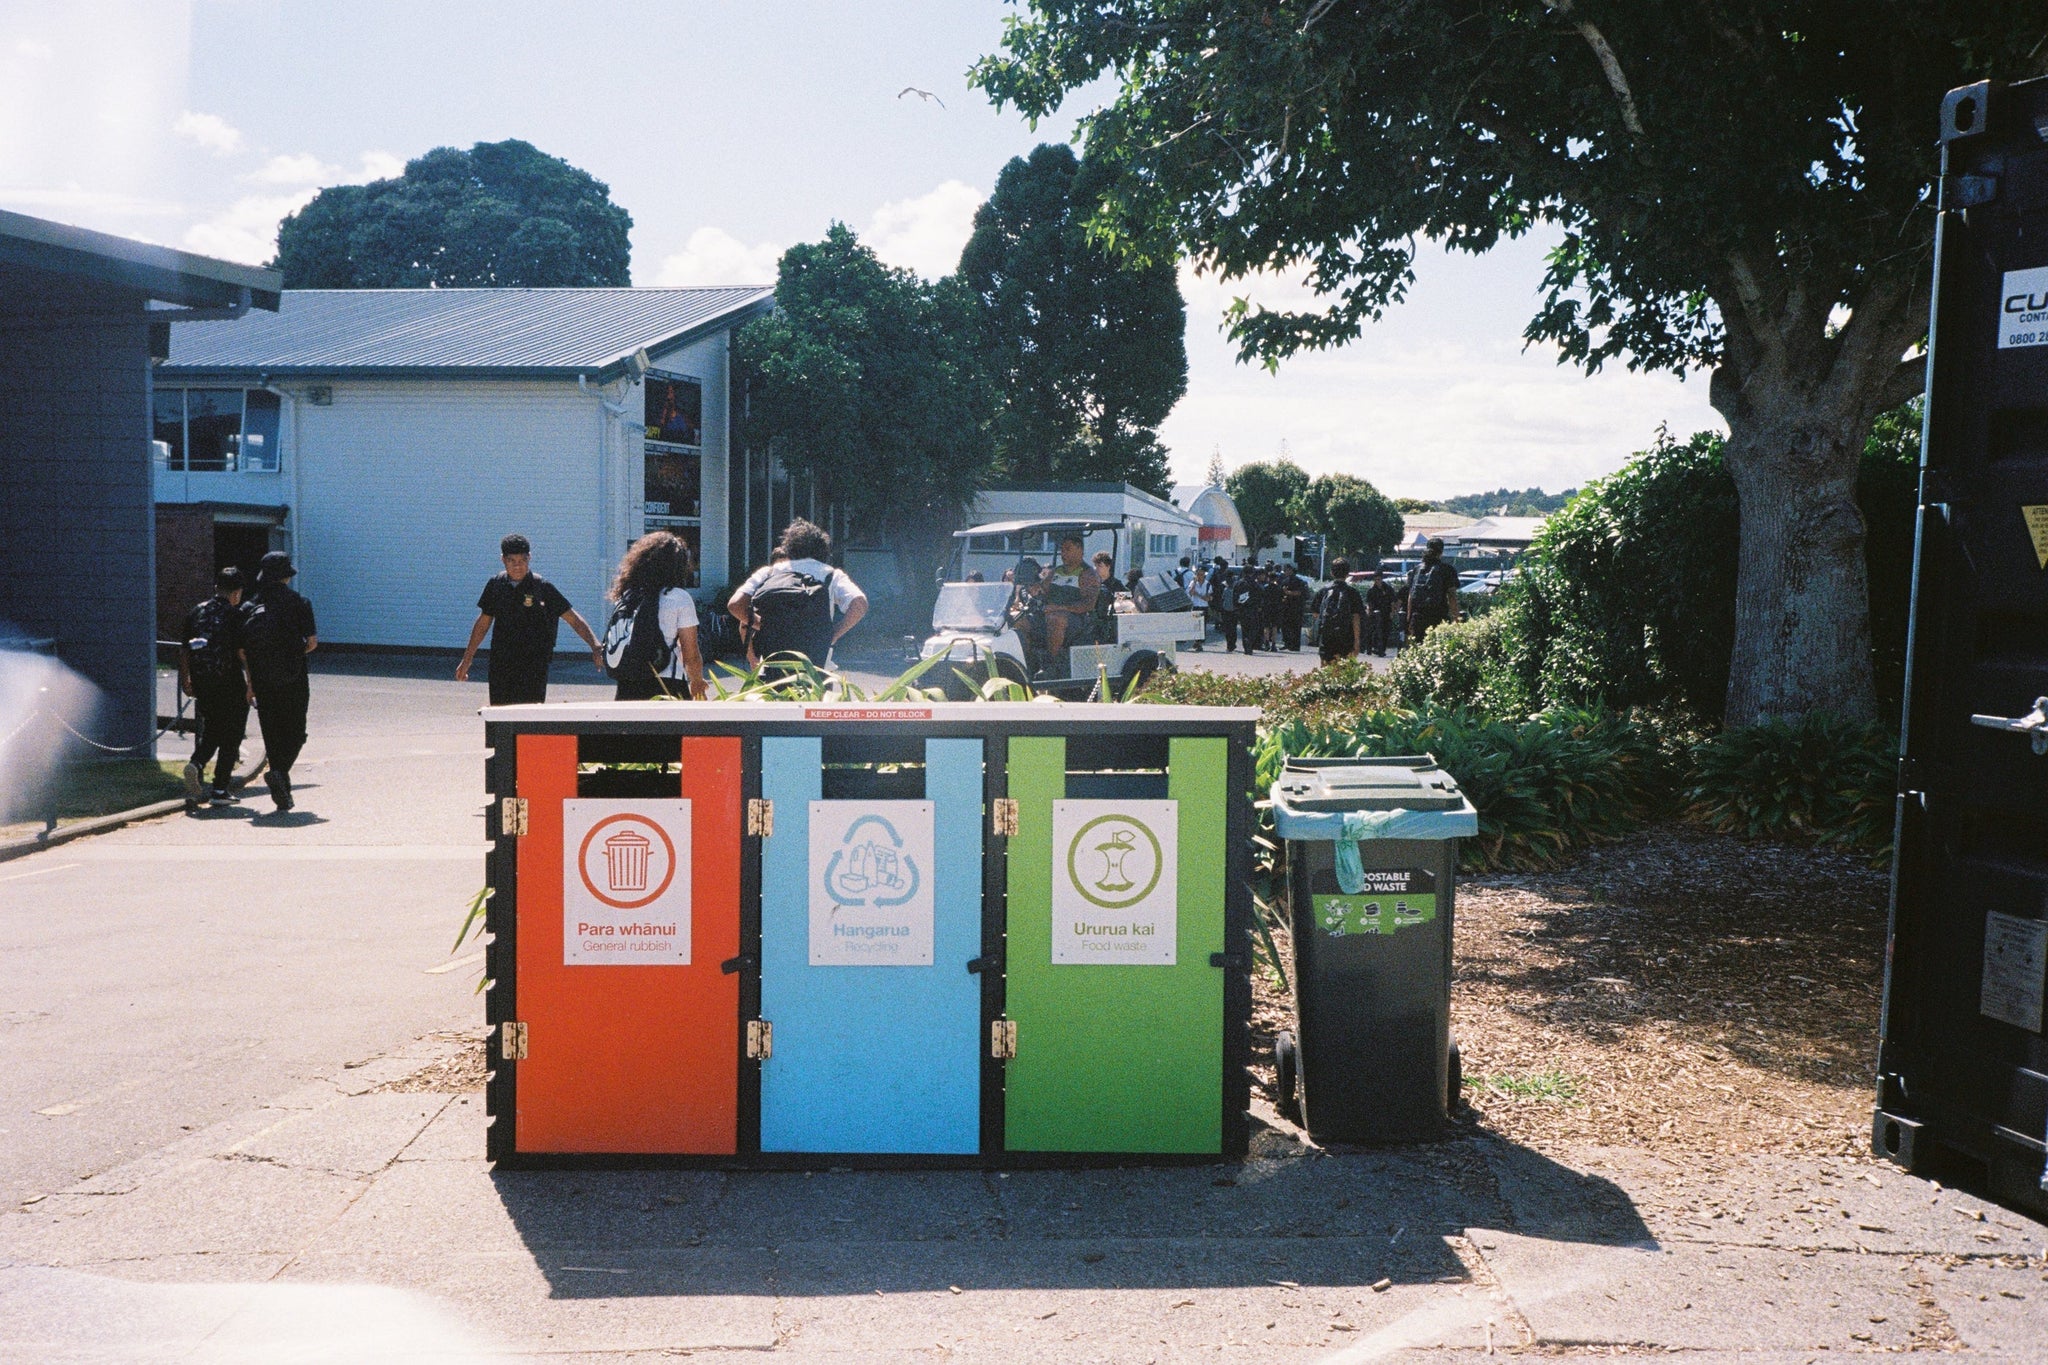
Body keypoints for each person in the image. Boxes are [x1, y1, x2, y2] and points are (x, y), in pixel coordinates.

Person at [455, 534, 603, 705]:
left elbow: (573, 619)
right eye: (512, 561)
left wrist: (595, 645)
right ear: (503, 560)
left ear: (529, 558)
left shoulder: (542, 587)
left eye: (522, 560)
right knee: (501, 718)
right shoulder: (496, 586)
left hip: (533, 667)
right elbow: (483, 623)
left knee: (528, 720)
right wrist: (467, 659)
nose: (518, 566)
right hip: (501, 665)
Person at [728, 519, 867, 672]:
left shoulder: (769, 572)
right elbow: (859, 604)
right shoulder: (831, 575)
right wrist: (833, 634)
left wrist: (764, 625)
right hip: (816, 671)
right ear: (823, 550)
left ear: (789, 548)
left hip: (772, 670)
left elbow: (735, 605)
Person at [238, 551, 317, 812]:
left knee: (271, 732)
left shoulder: (249, 607)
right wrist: (292, 653)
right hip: (293, 676)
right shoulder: (299, 603)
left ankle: (279, 774)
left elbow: (243, 650)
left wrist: (250, 682)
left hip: (261, 678)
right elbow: (311, 643)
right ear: (287, 576)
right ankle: (279, 772)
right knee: (296, 732)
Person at [606, 531, 707, 700]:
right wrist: (696, 681)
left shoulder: (629, 596)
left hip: (627, 683)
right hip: (666, 683)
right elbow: (691, 653)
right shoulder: (679, 598)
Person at [178, 565, 248, 806]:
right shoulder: (236, 615)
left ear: (217, 588)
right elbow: (242, 653)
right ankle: (220, 789)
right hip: (230, 682)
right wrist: (252, 683)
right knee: (233, 734)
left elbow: (185, 649)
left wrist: (185, 679)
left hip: (203, 682)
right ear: (237, 593)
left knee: (213, 730)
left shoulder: (197, 612)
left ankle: (196, 763)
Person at [1037, 533, 1101, 662]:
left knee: (1056, 619)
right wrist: (1033, 590)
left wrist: (1059, 608)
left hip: (1077, 620)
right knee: (1020, 621)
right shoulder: (1056, 571)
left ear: (1080, 550)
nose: (1063, 553)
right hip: (1049, 612)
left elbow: (1088, 604)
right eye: (1062, 549)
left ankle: (1052, 663)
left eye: (1067, 549)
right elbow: (1041, 590)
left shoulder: (1087, 574)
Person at [1406, 538, 1462, 645]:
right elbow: (1452, 596)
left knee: (1418, 650)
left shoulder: (1417, 569)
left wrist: (1409, 620)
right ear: (1441, 552)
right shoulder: (1447, 570)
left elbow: (1411, 595)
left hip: (1417, 618)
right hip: (1438, 616)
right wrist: (1456, 619)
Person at [1312, 558, 1367, 665]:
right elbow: (1356, 618)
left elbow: (1315, 614)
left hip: (1326, 638)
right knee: (1345, 673)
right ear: (1347, 574)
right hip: (1346, 638)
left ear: (1332, 573)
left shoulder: (1323, 591)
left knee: (1326, 672)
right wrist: (1357, 641)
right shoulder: (1353, 593)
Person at [1364, 570, 1396, 657]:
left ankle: (1382, 649)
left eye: (1378, 579)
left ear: (1382, 579)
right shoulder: (1371, 590)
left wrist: (1392, 612)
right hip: (1375, 614)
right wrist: (1369, 612)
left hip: (1386, 613)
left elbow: (1392, 602)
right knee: (1376, 631)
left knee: (1386, 631)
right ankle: (1376, 648)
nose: (1377, 581)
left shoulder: (1388, 588)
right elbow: (1368, 603)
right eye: (1375, 580)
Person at [1278, 564, 1309, 652]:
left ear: (1291, 570)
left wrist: (1288, 593)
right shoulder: (1285, 580)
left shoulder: (1298, 581)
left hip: (1296, 607)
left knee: (1295, 626)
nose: (1285, 572)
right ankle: (1287, 643)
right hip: (1287, 606)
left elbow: (1299, 593)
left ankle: (1294, 645)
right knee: (1286, 626)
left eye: (1286, 570)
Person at [1183, 563, 1209, 650]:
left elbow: (1207, 598)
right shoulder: (1193, 583)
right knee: (1196, 625)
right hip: (1196, 606)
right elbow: (1190, 593)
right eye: (1198, 574)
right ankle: (1197, 642)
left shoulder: (1207, 584)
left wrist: (1198, 594)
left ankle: (1199, 642)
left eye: (1201, 574)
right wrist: (1194, 582)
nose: (1199, 576)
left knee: (1203, 625)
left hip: (1204, 607)